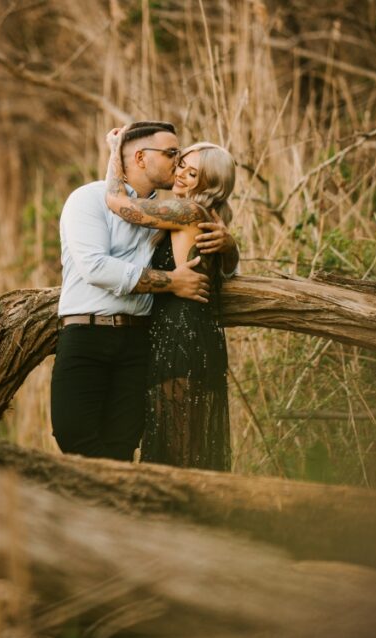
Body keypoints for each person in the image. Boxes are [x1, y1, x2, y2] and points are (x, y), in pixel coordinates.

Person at [50, 121, 239, 463]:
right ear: (139, 157)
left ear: (209, 181)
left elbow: (119, 202)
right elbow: (95, 266)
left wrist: (230, 248)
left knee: (150, 444)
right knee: (75, 435)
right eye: (174, 157)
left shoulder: (180, 212)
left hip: (160, 339)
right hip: (100, 336)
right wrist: (173, 280)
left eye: (187, 166)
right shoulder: (91, 200)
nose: (178, 166)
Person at [105, 130, 238, 470]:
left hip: (181, 337)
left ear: (208, 185)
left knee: (178, 448)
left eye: (192, 173)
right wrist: (232, 247)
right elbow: (227, 270)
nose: (179, 173)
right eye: (181, 164)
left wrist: (114, 153)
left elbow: (120, 205)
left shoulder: (188, 211)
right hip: (186, 334)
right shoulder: (208, 217)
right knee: (182, 442)